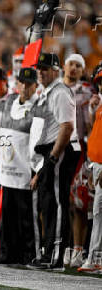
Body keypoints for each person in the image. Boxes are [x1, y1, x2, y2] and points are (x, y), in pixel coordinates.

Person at [28, 53, 75, 271]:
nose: (40, 71)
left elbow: (67, 127)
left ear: (56, 70)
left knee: (56, 203)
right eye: (39, 68)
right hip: (48, 152)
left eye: (45, 68)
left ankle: (56, 255)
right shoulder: (48, 92)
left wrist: (54, 157)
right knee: (47, 205)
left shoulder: (60, 92)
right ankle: (48, 253)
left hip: (57, 151)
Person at [0, 67, 38, 265]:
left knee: (25, 214)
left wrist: (37, 170)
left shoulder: (38, 106)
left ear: (35, 86)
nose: (25, 87)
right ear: (18, 84)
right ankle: (7, 253)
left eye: (30, 84)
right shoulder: (10, 102)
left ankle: (28, 254)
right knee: (8, 212)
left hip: (25, 168)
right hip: (7, 166)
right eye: (23, 83)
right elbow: (2, 130)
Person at [62, 53, 93, 268]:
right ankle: (62, 246)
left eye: (78, 66)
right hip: (59, 147)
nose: (73, 68)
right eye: (71, 64)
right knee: (60, 201)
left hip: (80, 148)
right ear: (65, 66)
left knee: (78, 202)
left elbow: (89, 126)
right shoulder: (55, 90)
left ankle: (78, 249)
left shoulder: (88, 92)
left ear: (82, 70)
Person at [79, 65, 102, 273]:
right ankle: (95, 257)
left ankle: (95, 257)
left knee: (98, 211)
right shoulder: (100, 104)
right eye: (100, 81)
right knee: (96, 212)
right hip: (97, 164)